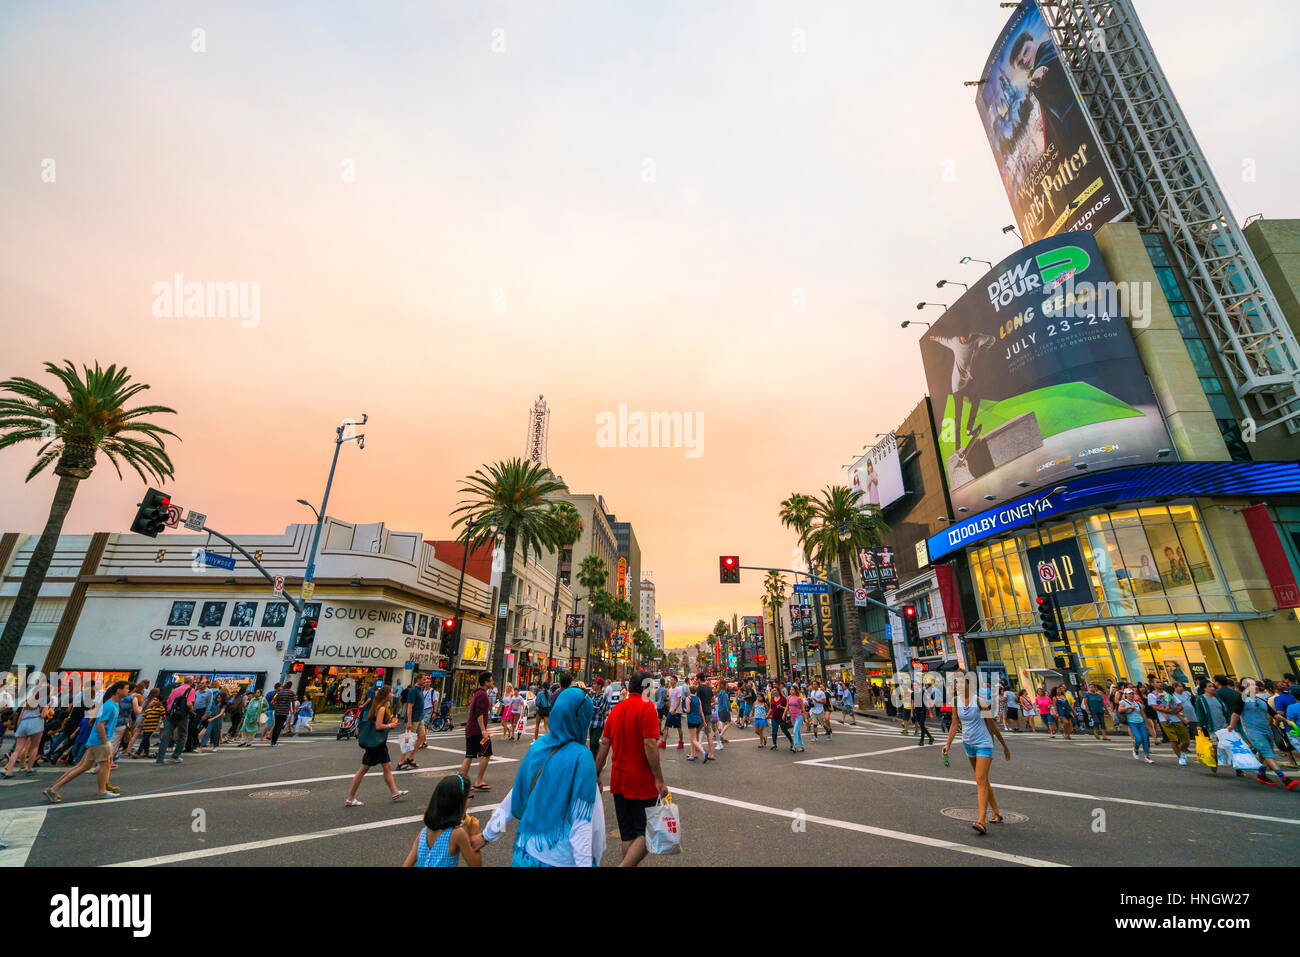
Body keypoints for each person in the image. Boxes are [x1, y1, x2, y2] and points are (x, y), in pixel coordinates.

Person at [474, 687, 605, 867]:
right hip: (561, 860)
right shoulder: (582, 757)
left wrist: (487, 835)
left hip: (524, 854)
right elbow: (583, 823)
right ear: (582, 719)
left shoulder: (539, 746)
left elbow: (515, 795)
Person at [595, 672, 669, 867]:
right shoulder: (647, 708)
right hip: (642, 783)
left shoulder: (617, 709)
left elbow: (604, 743)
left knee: (627, 834)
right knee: (649, 832)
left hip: (619, 780)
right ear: (646, 688)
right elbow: (650, 745)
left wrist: (596, 773)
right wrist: (659, 779)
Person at [941, 677, 1010, 835]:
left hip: (984, 744)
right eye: (955, 684)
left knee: (980, 779)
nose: (957, 686)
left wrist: (1004, 746)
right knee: (983, 779)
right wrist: (947, 745)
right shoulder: (956, 701)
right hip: (968, 744)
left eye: (960, 683)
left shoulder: (979, 702)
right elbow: (954, 724)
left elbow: (991, 725)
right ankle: (997, 812)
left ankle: (981, 821)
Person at [44, 681, 128, 802]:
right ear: (118, 690)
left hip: (96, 740)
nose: (128, 691)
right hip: (100, 741)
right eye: (126, 689)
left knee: (82, 767)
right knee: (102, 767)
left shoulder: (111, 704)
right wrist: (105, 742)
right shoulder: (110, 705)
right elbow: (100, 725)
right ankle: (102, 791)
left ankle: (53, 788)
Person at [344, 685, 409, 806]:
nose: (392, 694)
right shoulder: (382, 708)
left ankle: (394, 792)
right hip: (376, 743)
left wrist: (390, 723)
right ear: (386, 695)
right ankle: (350, 798)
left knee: (387, 766)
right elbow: (378, 726)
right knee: (363, 770)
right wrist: (390, 725)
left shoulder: (379, 706)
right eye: (390, 692)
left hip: (378, 743)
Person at [402, 774, 483, 867]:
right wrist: (473, 834)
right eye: (470, 796)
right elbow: (476, 864)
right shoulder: (457, 834)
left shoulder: (424, 833)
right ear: (460, 802)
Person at [1228, 679, 1295, 788]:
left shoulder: (1260, 700)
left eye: (1255, 684)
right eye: (1252, 684)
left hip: (1267, 730)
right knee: (1267, 753)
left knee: (1266, 754)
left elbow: (1274, 714)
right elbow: (1235, 714)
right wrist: (1231, 726)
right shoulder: (1242, 700)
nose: (1256, 686)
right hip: (1253, 731)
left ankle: (1261, 774)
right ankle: (1284, 779)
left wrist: (1286, 720)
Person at [2, 680, 47, 779]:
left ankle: (9, 770)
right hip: (35, 723)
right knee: (34, 747)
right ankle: (29, 769)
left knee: (17, 749)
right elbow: (43, 715)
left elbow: (21, 715)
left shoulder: (29, 699)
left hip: (23, 723)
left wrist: (18, 726)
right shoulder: (44, 700)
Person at [459, 672, 494, 791]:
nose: (492, 682)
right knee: (486, 753)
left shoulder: (478, 694)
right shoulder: (482, 695)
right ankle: (478, 781)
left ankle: (461, 783)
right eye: (491, 680)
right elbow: (479, 714)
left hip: (472, 730)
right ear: (486, 682)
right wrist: (483, 730)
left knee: (470, 755)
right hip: (477, 731)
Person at [156, 677, 195, 764]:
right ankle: (176, 755)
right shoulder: (190, 690)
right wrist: (192, 710)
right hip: (182, 715)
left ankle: (160, 758)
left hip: (171, 714)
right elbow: (189, 703)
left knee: (166, 736)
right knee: (183, 735)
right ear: (191, 682)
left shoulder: (175, 690)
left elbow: (168, 702)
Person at [1154, 683, 1191, 765]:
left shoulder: (1172, 696)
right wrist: (1171, 711)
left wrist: (1175, 711)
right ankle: (1180, 757)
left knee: (1186, 740)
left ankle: (1181, 751)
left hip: (1176, 719)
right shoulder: (1158, 697)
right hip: (1165, 720)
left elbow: (1180, 706)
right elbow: (1158, 708)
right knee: (1173, 739)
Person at [1118, 687, 1152, 763]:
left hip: (1141, 722)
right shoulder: (1123, 702)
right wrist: (1129, 707)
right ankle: (1135, 749)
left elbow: (1143, 714)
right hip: (1132, 723)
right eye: (1129, 694)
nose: (1131, 695)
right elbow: (1120, 710)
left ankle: (1147, 756)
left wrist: (1147, 723)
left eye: (1132, 693)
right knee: (1139, 738)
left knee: (1145, 739)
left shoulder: (1137, 703)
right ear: (1125, 694)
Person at [684, 677, 708, 761]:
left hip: (691, 720)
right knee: (692, 738)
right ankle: (692, 754)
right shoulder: (698, 699)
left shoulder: (688, 698)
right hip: (698, 720)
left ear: (690, 691)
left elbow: (688, 710)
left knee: (693, 739)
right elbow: (701, 711)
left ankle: (703, 752)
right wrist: (704, 721)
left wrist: (684, 709)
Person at [588, 677, 612, 756]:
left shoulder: (603, 697)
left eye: (595, 683)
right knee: (592, 744)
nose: (593, 685)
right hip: (591, 723)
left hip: (598, 723)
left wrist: (590, 705)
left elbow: (600, 710)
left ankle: (599, 757)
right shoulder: (593, 696)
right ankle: (594, 760)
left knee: (594, 742)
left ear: (599, 685)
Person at [659, 675, 684, 750]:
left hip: (677, 712)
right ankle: (663, 743)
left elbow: (678, 701)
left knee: (679, 728)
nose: (671, 681)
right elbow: (670, 700)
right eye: (671, 680)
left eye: (673, 680)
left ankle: (681, 742)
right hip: (670, 711)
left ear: (676, 681)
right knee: (666, 727)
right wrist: (670, 708)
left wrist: (675, 710)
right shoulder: (669, 690)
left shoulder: (678, 689)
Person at [787, 684, 806, 753]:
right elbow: (787, 707)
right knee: (797, 732)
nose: (791, 691)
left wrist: (805, 718)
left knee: (795, 731)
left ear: (795, 690)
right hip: (792, 717)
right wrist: (784, 714)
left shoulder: (799, 698)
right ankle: (802, 746)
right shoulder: (789, 697)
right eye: (790, 689)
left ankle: (794, 747)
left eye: (792, 689)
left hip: (799, 716)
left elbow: (803, 708)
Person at [715, 683, 733, 748]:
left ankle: (722, 737)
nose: (728, 685)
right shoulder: (723, 692)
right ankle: (721, 734)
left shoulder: (719, 692)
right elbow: (725, 702)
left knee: (723, 723)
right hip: (724, 709)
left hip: (720, 709)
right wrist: (728, 708)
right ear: (724, 685)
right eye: (727, 684)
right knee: (729, 723)